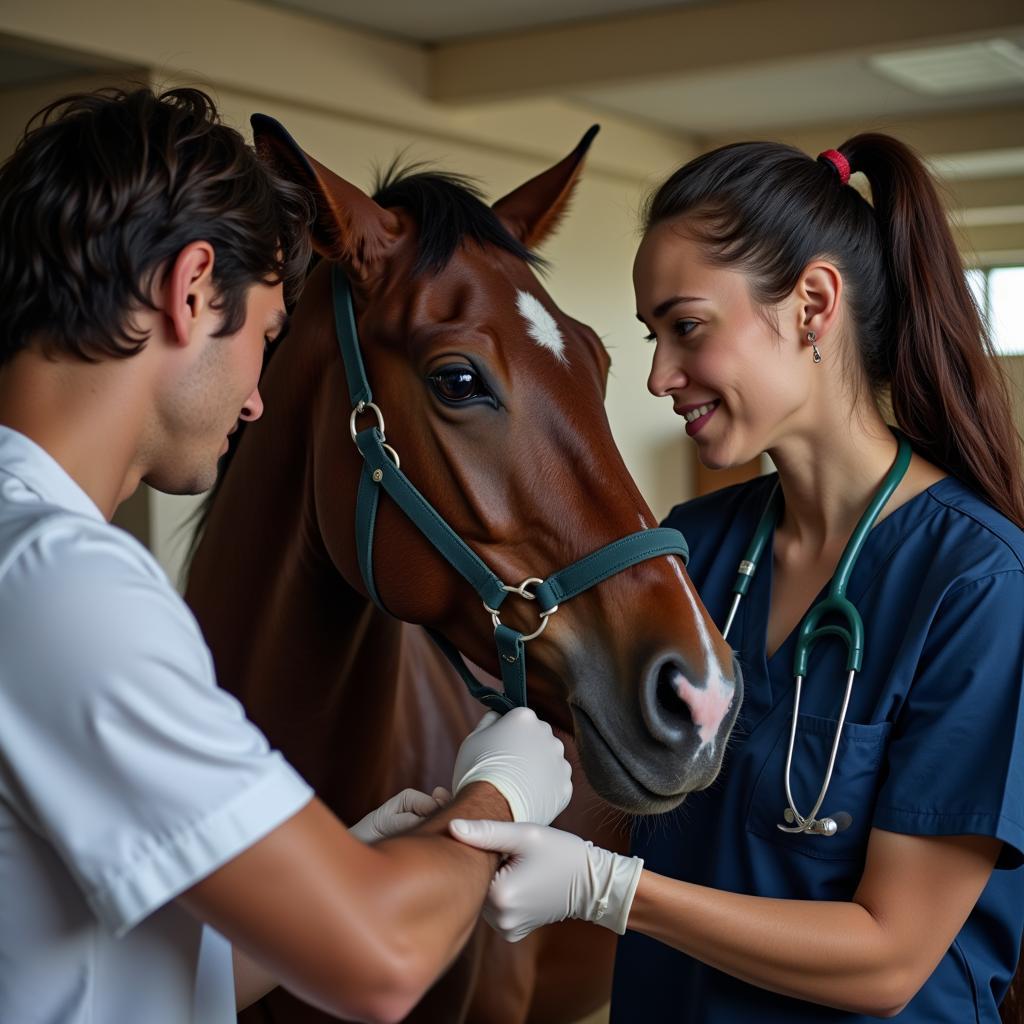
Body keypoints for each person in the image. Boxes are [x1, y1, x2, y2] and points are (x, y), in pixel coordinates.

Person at [0, 86, 573, 1024]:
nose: (259, 400)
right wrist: (498, 800)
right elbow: (382, 966)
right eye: (266, 336)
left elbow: (137, 976)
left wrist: (390, 848)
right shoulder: (65, 585)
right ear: (191, 291)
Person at [448, 134, 1024, 1022]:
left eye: (686, 328)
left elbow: (890, 957)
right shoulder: (693, 553)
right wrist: (476, 812)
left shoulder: (975, 582)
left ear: (813, 305)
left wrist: (613, 893)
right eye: (652, 336)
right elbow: (615, 785)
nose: (658, 376)